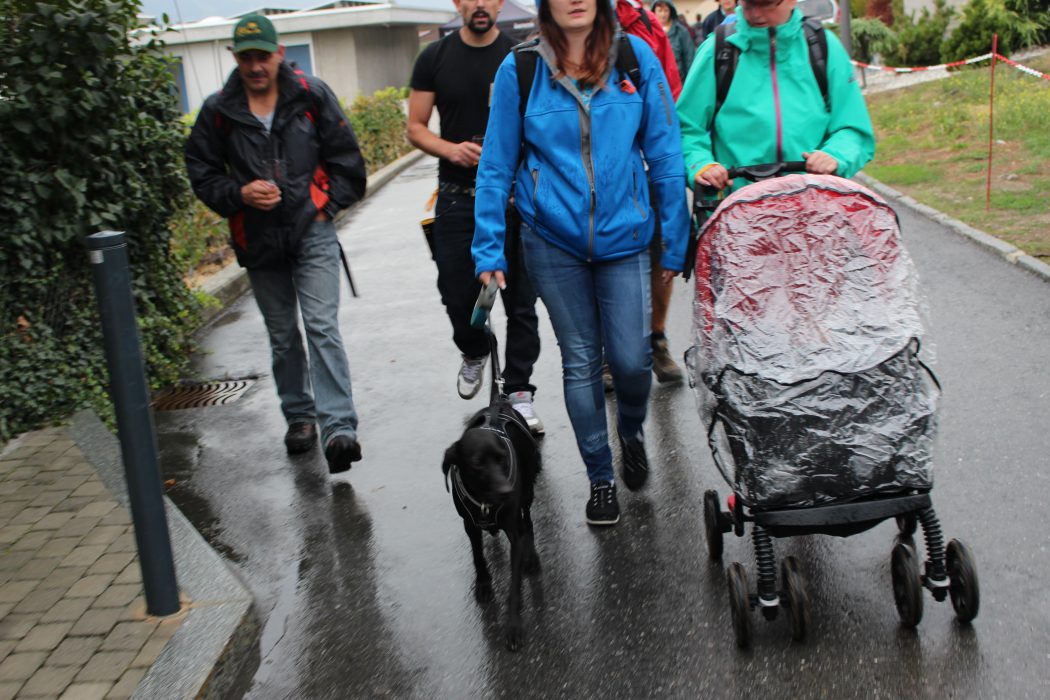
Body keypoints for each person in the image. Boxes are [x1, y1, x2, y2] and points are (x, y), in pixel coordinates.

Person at [472, 0, 689, 525]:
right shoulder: (520, 70)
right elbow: (497, 164)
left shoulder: (635, 58)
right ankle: (600, 479)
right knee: (581, 362)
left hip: (626, 236)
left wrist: (675, 237)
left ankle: (631, 431)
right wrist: (489, 247)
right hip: (552, 240)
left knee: (633, 361)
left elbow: (664, 151)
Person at [185, 14, 367, 473]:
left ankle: (339, 428)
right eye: (245, 57)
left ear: (279, 53)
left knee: (321, 326)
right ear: (234, 58)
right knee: (283, 335)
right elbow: (201, 172)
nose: (255, 66)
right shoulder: (218, 111)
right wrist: (239, 195)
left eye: (262, 56)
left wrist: (326, 207)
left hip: (313, 233)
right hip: (258, 240)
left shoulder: (310, 95)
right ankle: (300, 416)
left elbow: (349, 161)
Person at [407, 0, 544, 434]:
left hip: (513, 200)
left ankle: (519, 392)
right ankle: (474, 349)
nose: (480, 4)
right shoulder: (434, 57)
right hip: (455, 198)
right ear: (457, 4)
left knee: (521, 301)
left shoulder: (520, 56)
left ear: (500, 3)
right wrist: (451, 149)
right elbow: (415, 125)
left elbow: (537, 124)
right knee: (456, 295)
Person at [677, 0, 875, 195]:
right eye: (748, 4)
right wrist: (701, 164)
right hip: (737, 207)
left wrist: (836, 155)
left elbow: (853, 127)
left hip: (815, 207)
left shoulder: (824, 46)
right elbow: (687, 127)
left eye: (766, 4)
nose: (756, 14)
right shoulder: (717, 50)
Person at [613, 0, 686, 384]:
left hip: (648, 161)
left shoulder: (647, 23)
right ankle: (610, 351)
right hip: (605, 169)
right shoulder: (570, 15)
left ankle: (656, 336)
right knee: (601, 253)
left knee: (660, 255)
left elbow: (669, 90)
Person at [651, 0, 693, 80]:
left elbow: (689, 59)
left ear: (671, 11)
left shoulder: (681, 31)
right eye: (660, 10)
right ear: (654, 12)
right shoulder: (649, 32)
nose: (663, 14)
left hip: (679, 82)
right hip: (658, 82)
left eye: (666, 10)